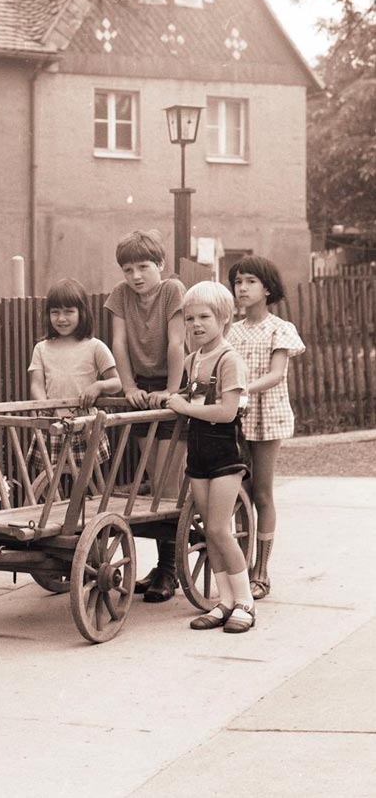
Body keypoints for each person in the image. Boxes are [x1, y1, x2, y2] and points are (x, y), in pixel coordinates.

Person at [167, 281, 254, 633]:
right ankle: (224, 601)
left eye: (204, 317)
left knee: (219, 528)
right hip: (198, 451)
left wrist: (184, 406)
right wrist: (170, 399)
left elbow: (227, 410)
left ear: (224, 318)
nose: (196, 324)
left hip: (225, 451)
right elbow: (178, 397)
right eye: (189, 319)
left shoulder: (229, 359)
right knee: (208, 531)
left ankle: (245, 601)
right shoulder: (191, 360)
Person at [104, 229, 186, 602]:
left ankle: (168, 570)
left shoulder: (172, 290)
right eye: (127, 269)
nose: (135, 276)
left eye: (143, 267)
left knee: (168, 487)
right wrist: (128, 386)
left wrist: (171, 390)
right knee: (153, 480)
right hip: (140, 389)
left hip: (172, 386)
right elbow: (119, 343)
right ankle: (162, 565)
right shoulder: (121, 296)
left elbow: (176, 343)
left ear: (160, 265)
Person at [227, 255, 305, 600]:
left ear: (267, 288)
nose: (242, 288)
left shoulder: (280, 328)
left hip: (266, 416)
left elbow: (275, 375)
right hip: (233, 417)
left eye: (249, 281)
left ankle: (262, 569)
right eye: (238, 282)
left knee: (261, 492)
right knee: (237, 492)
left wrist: (241, 389)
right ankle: (241, 567)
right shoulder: (229, 329)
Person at [28, 278, 120, 485]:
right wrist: (44, 404)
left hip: (84, 425)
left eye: (69, 311)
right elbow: (36, 384)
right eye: (55, 312)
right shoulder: (42, 348)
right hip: (54, 423)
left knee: (88, 483)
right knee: (51, 483)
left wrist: (98, 386)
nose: (61, 318)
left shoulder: (95, 346)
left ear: (82, 312)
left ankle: (86, 515)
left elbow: (116, 383)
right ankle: (55, 516)